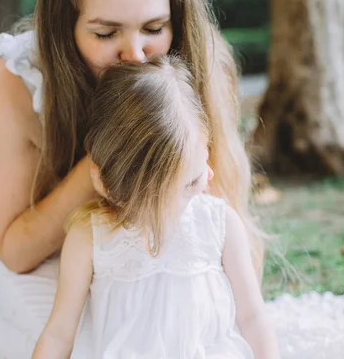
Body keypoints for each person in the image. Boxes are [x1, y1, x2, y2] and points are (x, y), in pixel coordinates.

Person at [0, 0, 265, 357]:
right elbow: (15, 250)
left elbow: (221, 217)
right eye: (106, 33)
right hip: (43, 247)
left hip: (155, 233)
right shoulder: (15, 79)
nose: (135, 54)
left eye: (154, 28)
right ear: (66, 27)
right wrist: (107, 160)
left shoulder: (200, 59)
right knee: (85, 347)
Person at [32, 57, 279, 359]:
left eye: (195, 176)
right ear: (107, 185)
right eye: (187, 186)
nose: (207, 180)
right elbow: (59, 333)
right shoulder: (89, 237)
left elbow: (252, 316)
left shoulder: (220, 223)